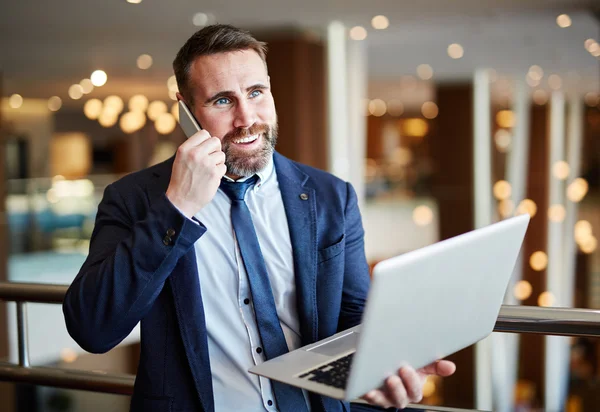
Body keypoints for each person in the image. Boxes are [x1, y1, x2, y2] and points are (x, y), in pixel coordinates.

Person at [62, 24, 455, 412]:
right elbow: (93, 329)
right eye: (222, 101)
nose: (246, 118)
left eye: (256, 92)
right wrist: (177, 206)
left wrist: (382, 366)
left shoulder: (331, 196)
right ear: (184, 109)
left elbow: (352, 319)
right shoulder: (135, 199)